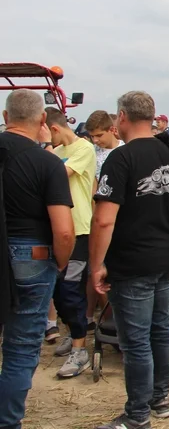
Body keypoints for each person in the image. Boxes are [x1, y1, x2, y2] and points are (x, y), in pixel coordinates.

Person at [90, 91, 169, 428]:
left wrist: (97, 264)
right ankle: (160, 399)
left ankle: (137, 415)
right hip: (166, 256)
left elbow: (103, 219)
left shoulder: (120, 158)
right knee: (160, 330)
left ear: (123, 117)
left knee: (137, 340)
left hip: (133, 261)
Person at [0, 90, 75, 428]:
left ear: (5, 117)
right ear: (43, 120)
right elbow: (63, 231)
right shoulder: (47, 163)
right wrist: (58, 263)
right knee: (19, 348)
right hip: (31, 255)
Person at [44, 106, 97, 378]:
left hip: (78, 231)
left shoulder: (83, 149)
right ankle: (72, 331)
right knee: (56, 290)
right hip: (55, 230)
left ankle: (80, 349)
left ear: (53, 128)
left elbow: (56, 175)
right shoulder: (56, 153)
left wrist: (42, 150)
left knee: (71, 288)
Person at [84, 110, 124, 329]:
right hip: (94, 219)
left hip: (116, 222)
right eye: (92, 136)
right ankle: (106, 319)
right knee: (96, 271)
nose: (95, 140)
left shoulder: (124, 151)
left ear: (112, 129)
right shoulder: (90, 152)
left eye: (99, 135)